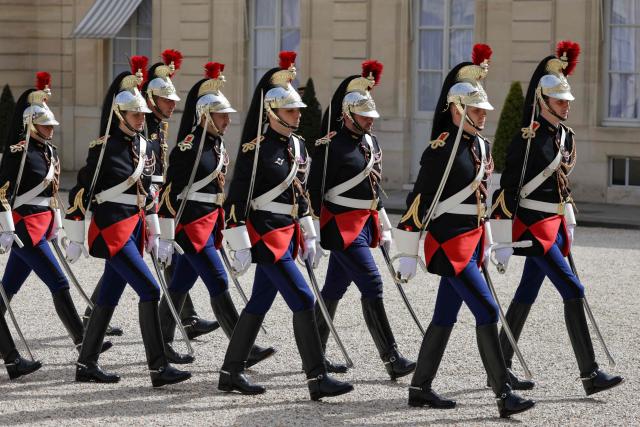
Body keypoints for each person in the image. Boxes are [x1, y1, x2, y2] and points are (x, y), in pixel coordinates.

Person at [394, 44, 535, 418]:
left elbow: (482, 202)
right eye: (475, 110)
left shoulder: (483, 149)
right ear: (456, 110)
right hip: (446, 246)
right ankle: (503, 394)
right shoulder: (440, 150)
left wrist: (489, 241)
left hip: (471, 243)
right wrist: (407, 251)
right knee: (487, 310)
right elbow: (417, 201)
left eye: (483, 110)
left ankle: (420, 387)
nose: (482, 116)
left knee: (444, 316)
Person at [217, 51, 353, 401]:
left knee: (258, 303)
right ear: (272, 112)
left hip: (288, 233)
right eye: (290, 110)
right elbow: (236, 199)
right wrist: (240, 242)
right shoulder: (256, 150)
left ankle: (230, 372)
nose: (296, 116)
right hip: (265, 234)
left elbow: (301, 193)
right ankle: (317, 376)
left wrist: (309, 233)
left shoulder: (299, 146)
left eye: (297, 111)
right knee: (304, 299)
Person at [490, 40, 623, 396]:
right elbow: (506, 191)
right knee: (573, 289)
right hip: (533, 229)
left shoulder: (564, 136)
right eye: (560, 101)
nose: (566, 106)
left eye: (567, 101)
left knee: (527, 293)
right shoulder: (527, 141)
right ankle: (590, 374)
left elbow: (560, 184)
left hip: (553, 226)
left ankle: (499, 367)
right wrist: (502, 239)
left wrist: (567, 214)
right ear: (542, 102)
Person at [64, 56, 191, 387]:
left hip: (134, 229)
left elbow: (148, 194)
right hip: (111, 230)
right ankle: (158, 367)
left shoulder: (146, 145)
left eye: (142, 115)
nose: (140, 119)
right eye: (135, 114)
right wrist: (76, 235)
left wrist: (159, 234)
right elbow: (80, 192)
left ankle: (86, 364)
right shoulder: (103, 148)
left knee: (108, 295)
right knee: (149, 290)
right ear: (120, 114)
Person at [156, 61, 274, 366]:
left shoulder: (218, 146)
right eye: (222, 116)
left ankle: (160, 344)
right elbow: (169, 195)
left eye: (227, 116)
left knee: (179, 285)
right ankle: (243, 349)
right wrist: (166, 236)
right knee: (219, 281)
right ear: (205, 116)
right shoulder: (188, 148)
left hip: (210, 223)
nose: (227, 121)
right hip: (192, 226)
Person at [307, 60, 415, 379]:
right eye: (364, 115)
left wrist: (382, 221)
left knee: (333, 290)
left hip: (364, 224)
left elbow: (374, 185)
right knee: (373, 282)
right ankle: (391, 357)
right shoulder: (329, 147)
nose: (370, 120)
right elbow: (314, 193)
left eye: (371, 115)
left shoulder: (371, 142)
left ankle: (314, 354)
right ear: (348, 114)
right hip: (340, 226)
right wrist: (312, 233)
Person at [0, 72, 110, 379]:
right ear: (30, 124)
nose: (50, 129)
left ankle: (11, 360)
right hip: (24, 231)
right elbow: (2, 193)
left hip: (41, 227)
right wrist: (6, 228)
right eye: (44, 124)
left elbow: (51, 194)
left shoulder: (49, 151)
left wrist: (57, 226)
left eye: (51, 124)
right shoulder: (17, 154)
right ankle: (83, 342)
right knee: (60, 284)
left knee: (5, 293)